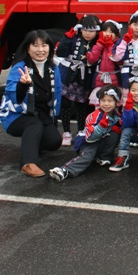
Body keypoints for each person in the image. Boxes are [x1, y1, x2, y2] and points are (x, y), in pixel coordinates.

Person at [0, 30, 63, 177]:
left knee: (54, 141)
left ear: (50, 48)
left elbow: (57, 93)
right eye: (35, 46)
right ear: (28, 48)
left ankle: (31, 145)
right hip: (15, 115)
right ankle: (28, 163)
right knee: (34, 125)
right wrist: (23, 85)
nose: (40, 50)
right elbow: (13, 97)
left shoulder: (53, 68)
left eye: (44, 45)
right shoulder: (20, 68)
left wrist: (54, 118)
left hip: (39, 114)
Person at [49, 85, 121, 181]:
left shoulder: (116, 115)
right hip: (87, 142)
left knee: (115, 134)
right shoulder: (94, 116)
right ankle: (65, 170)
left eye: (110, 101)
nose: (106, 104)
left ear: (117, 103)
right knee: (87, 156)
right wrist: (101, 126)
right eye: (103, 101)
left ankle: (104, 156)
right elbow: (89, 138)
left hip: (100, 140)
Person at [56, 14, 101, 146]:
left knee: (82, 105)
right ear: (80, 28)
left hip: (85, 75)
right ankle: (66, 132)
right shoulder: (73, 38)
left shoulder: (97, 42)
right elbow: (60, 52)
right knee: (65, 104)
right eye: (85, 30)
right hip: (68, 74)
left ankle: (81, 130)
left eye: (92, 31)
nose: (88, 33)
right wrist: (66, 38)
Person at [109, 77, 138, 172]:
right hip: (136, 132)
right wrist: (128, 108)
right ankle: (123, 157)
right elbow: (127, 124)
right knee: (126, 131)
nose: (136, 93)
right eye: (133, 90)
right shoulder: (128, 104)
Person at [87, 19, 122, 107]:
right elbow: (91, 59)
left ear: (117, 34)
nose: (107, 33)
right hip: (100, 80)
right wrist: (99, 45)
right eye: (105, 31)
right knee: (99, 105)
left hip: (115, 81)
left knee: (114, 106)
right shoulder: (98, 44)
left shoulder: (120, 44)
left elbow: (119, 60)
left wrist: (111, 46)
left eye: (111, 31)